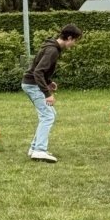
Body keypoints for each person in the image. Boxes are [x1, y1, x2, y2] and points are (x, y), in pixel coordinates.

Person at [22, 24, 82, 163]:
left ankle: (34, 148)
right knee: (47, 115)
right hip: (32, 85)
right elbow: (38, 72)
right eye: (75, 40)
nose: (75, 44)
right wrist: (47, 93)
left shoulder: (53, 47)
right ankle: (39, 151)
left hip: (32, 83)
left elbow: (40, 69)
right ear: (69, 38)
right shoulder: (52, 50)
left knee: (50, 114)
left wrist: (49, 81)